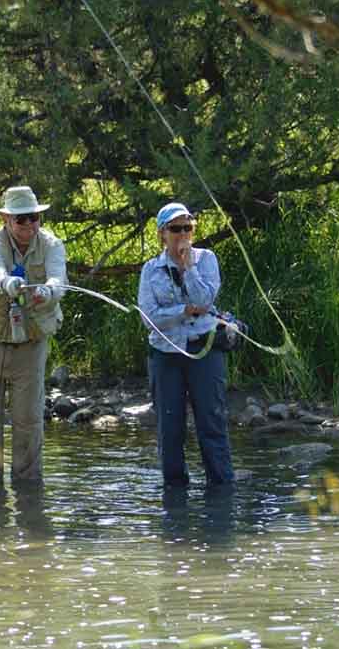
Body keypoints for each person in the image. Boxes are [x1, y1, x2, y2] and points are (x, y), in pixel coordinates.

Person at [0, 186, 67, 486]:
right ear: (7, 220)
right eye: (21, 220)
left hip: (30, 344)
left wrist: (47, 293)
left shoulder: (52, 245)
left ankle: (29, 492)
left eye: (34, 218)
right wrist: (7, 283)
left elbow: (59, 279)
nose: (29, 225)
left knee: (29, 422)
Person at [137, 202, 234, 489]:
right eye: (175, 229)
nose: (182, 234)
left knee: (212, 423)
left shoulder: (206, 259)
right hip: (165, 355)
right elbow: (149, 318)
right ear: (162, 234)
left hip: (204, 350)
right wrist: (183, 311)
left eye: (187, 228)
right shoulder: (150, 270)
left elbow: (205, 301)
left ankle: (221, 491)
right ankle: (175, 497)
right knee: (170, 428)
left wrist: (188, 268)